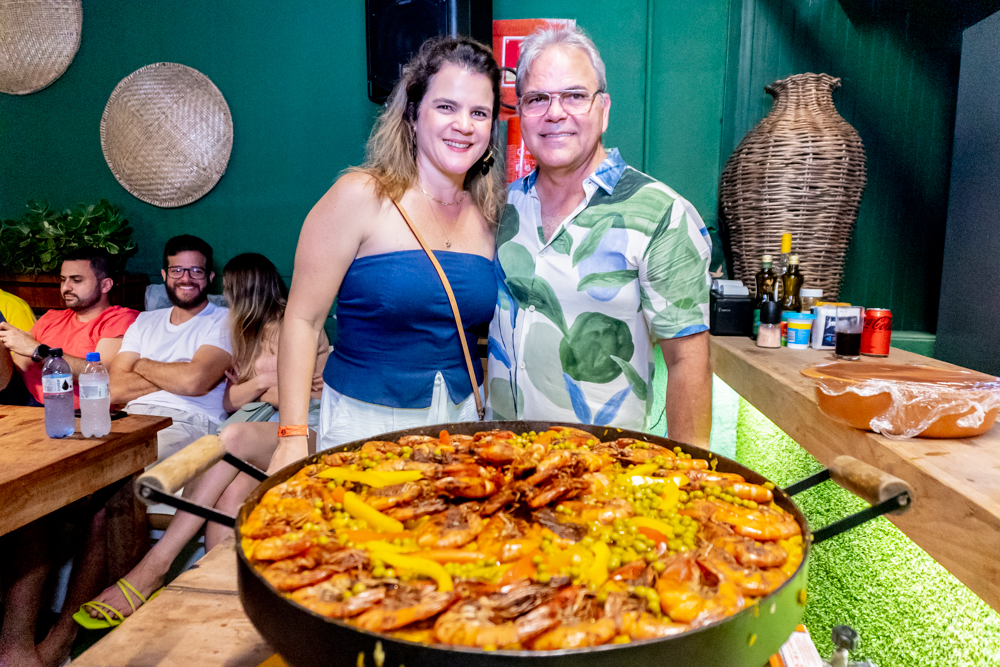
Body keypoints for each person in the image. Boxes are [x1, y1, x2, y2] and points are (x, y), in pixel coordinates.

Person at [271, 36, 505, 472]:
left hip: (461, 428)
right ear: (413, 115)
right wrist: (291, 435)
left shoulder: (489, 215)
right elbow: (302, 322)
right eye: (446, 107)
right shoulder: (359, 196)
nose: (464, 125)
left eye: (479, 113)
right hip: (364, 425)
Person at [486, 26, 713, 446]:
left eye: (574, 96)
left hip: (604, 473)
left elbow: (688, 362)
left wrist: (691, 477)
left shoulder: (662, 213)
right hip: (500, 462)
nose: (555, 113)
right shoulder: (503, 207)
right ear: (521, 113)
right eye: (538, 99)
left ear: (603, 109)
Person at [78, 253, 328, 625]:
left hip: (306, 428)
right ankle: (219, 604)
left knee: (233, 435)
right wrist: (262, 384)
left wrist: (259, 389)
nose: (226, 298)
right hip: (265, 430)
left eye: (228, 289)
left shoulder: (298, 326)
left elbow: (309, 396)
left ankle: (153, 567)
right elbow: (232, 398)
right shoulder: (245, 333)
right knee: (229, 499)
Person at [109, 235, 232, 461]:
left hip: (188, 421)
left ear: (210, 277)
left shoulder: (225, 321)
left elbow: (193, 381)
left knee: (130, 469)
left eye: (196, 271)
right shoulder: (144, 322)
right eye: (177, 270)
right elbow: (116, 389)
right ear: (164, 275)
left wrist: (140, 364)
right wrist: (179, 371)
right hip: (129, 417)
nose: (186, 278)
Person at [0, 247, 138, 406]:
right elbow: (17, 370)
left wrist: (39, 351)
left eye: (77, 280)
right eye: (63, 279)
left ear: (105, 285)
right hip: (23, 405)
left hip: (78, 415)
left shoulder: (120, 319)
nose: (66, 287)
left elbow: (102, 376)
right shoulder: (52, 317)